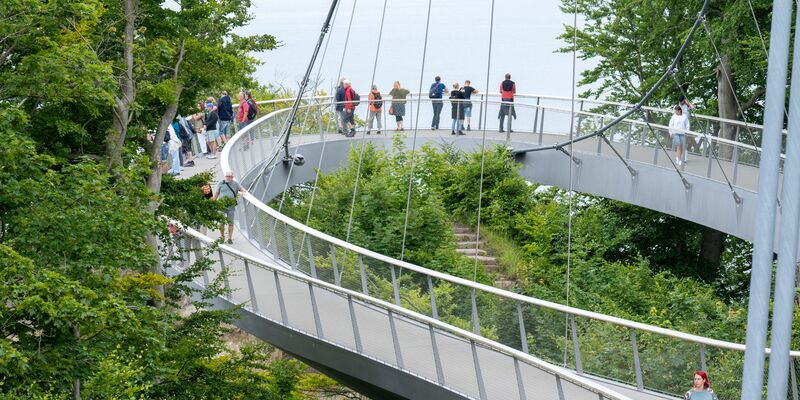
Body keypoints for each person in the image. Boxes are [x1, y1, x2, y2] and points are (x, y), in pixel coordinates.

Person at [213, 170, 246, 244]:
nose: (228, 178)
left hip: (231, 206)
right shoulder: (221, 183)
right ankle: (222, 236)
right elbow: (216, 193)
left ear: (232, 177)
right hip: (221, 205)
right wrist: (212, 202)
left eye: (229, 176)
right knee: (221, 222)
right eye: (227, 176)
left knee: (230, 223)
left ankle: (230, 238)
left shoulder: (235, 184)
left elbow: (243, 190)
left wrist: (242, 193)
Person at [678, 94, 696, 159]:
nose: (680, 103)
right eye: (680, 101)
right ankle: (682, 156)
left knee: (688, 141)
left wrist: (687, 102)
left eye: (682, 101)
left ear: (684, 100)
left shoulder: (686, 105)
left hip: (687, 126)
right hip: (680, 126)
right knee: (683, 141)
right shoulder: (679, 106)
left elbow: (693, 107)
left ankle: (684, 155)